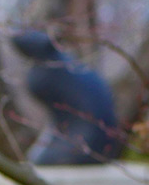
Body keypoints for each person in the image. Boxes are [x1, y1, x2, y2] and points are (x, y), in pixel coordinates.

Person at [10, 30, 124, 165]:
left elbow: (37, 88)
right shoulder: (64, 62)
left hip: (85, 141)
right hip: (97, 140)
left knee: (42, 160)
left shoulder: (45, 73)